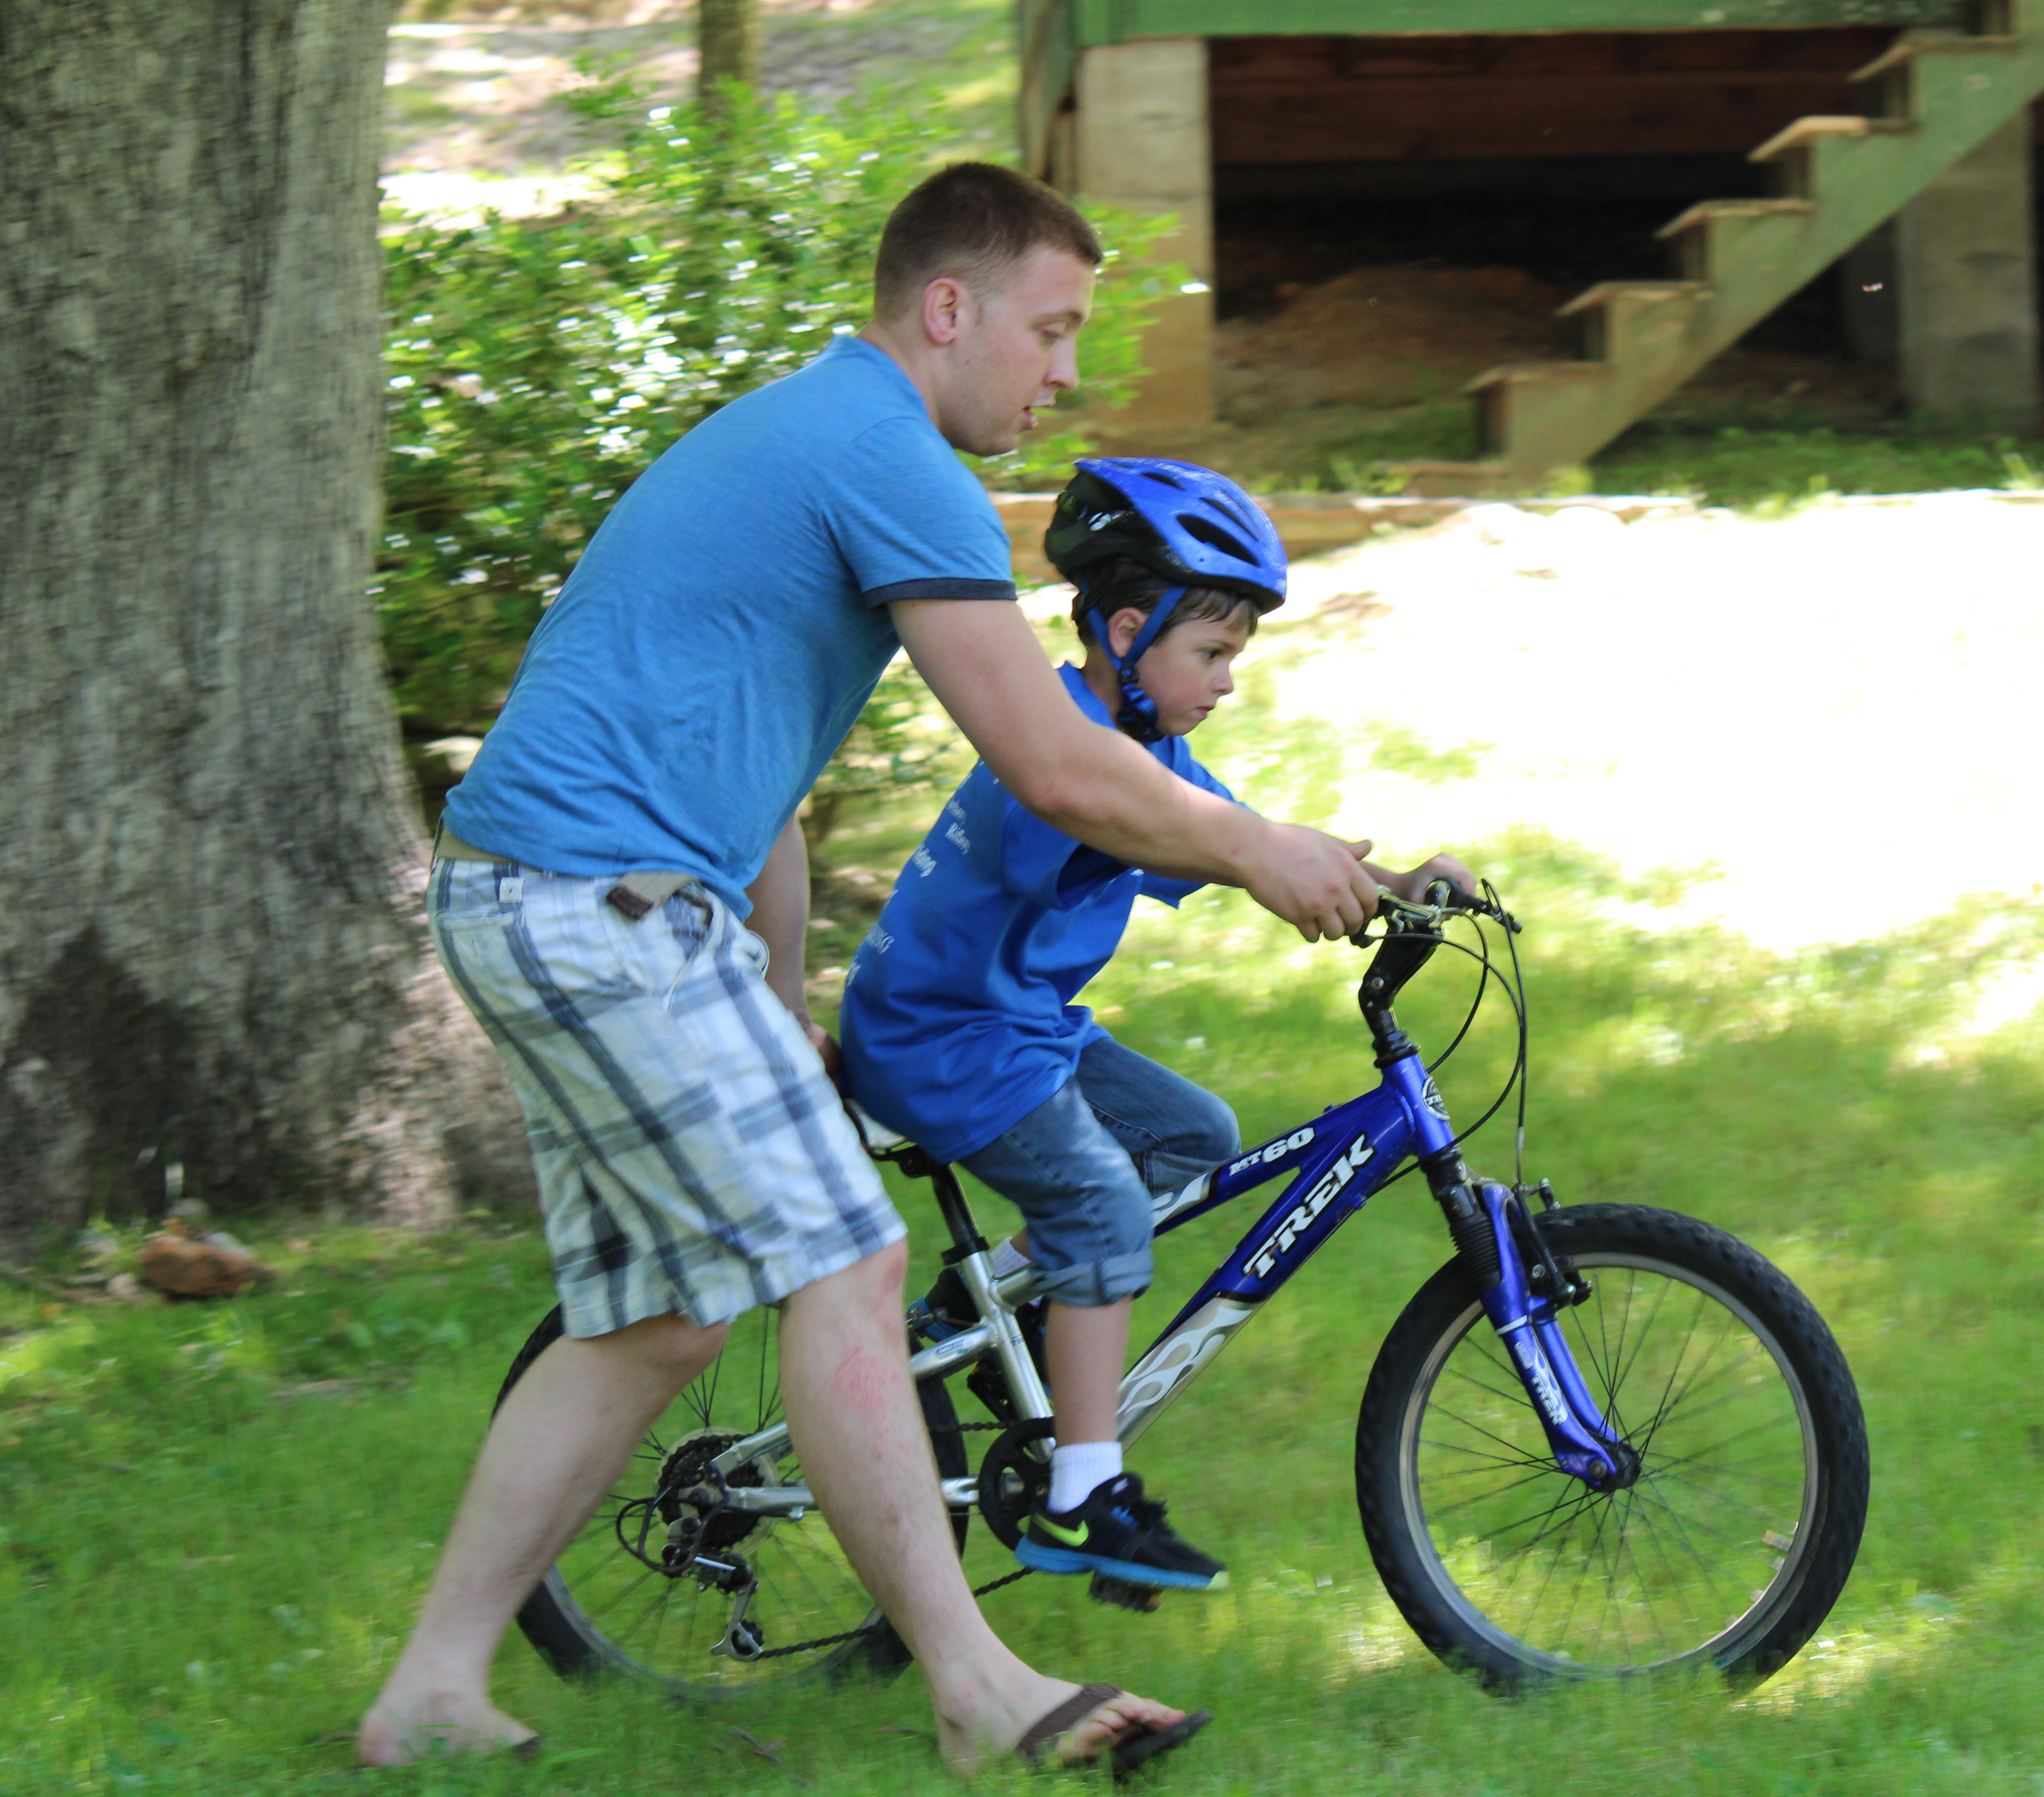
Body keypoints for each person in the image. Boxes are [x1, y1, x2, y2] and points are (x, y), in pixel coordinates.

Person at [356, 162, 1382, 1776]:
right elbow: (1053, 761)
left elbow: (750, 775)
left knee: (663, 1319)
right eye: (1049, 332)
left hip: (558, 895)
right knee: (849, 1263)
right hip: (592, 904)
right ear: (948, 307)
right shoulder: (890, 459)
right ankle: (976, 1687)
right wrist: (1256, 849)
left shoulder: (825, 439)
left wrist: (773, 999)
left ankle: (430, 1689)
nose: (1064, 375)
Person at [839, 458, 1476, 1594]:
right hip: (942, 1033)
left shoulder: (1144, 750)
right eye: (1212, 655)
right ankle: (1084, 1499)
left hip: (1020, 1022)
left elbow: (1238, 834)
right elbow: (1178, 839)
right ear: (1128, 632)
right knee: (1097, 1205)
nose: (1227, 682)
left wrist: (1394, 884)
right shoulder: (1070, 751)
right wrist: (1258, 864)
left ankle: (972, 1309)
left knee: (1192, 1139)